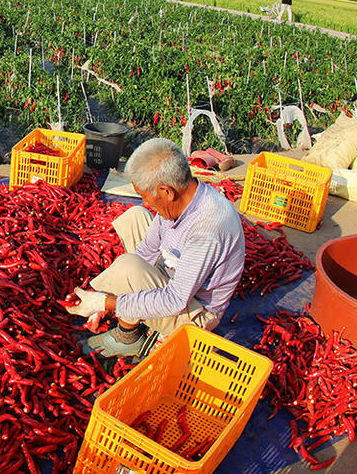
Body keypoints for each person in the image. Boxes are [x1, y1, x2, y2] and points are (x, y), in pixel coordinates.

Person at [66, 138, 245, 357]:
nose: (145, 202)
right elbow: (146, 252)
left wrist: (109, 302)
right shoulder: (184, 197)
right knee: (134, 217)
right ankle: (133, 313)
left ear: (167, 191)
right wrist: (107, 295)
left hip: (195, 311)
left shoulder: (207, 229)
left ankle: (128, 336)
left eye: (145, 196)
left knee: (128, 267)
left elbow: (175, 300)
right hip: (173, 272)